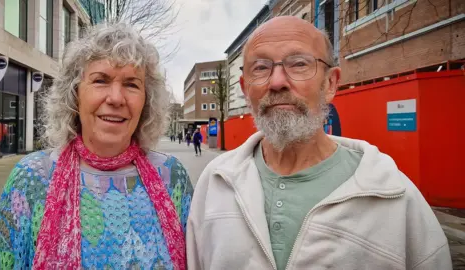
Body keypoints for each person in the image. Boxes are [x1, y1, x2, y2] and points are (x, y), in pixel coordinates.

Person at [187, 16, 451, 270]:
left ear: (330, 83)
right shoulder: (214, 183)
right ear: (245, 89)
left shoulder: (394, 196)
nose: (277, 82)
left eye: (299, 64)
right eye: (261, 68)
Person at [0, 23, 193, 270]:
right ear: (74, 95)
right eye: (100, 80)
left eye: (131, 84)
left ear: (146, 101)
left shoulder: (172, 178)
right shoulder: (31, 178)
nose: (116, 98)